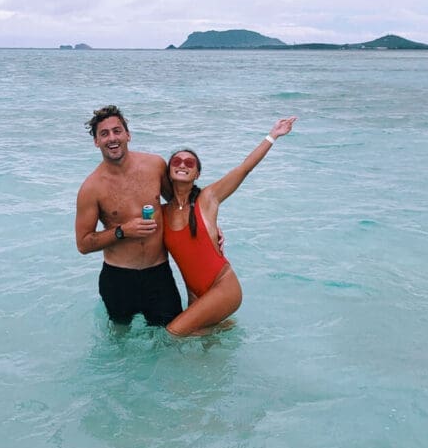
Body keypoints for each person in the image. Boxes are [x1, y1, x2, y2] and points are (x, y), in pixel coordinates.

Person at [162, 116, 297, 337]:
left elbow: (244, 169)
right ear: (168, 172)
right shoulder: (161, 213)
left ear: (197, 174)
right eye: (176, 162)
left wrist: (273, 135)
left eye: (190, 163)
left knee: (173, 333)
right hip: (196, 295)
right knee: (203, 356)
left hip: (223, 287)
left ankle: (223, 328)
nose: (183, 165)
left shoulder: (208, 199)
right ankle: (224, 329)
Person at [75, 105, 183, 327]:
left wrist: (208, 228)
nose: (112, 138)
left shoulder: (155, 165)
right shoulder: (91, 188)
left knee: (172, 340)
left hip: (159, 274)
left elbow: (179, 204)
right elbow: (83, 244)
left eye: (117, 131)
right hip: (118, 278)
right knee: (120, 346)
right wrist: (122, 231)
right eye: (104, 134)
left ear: (128, 134)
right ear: (96, 142)